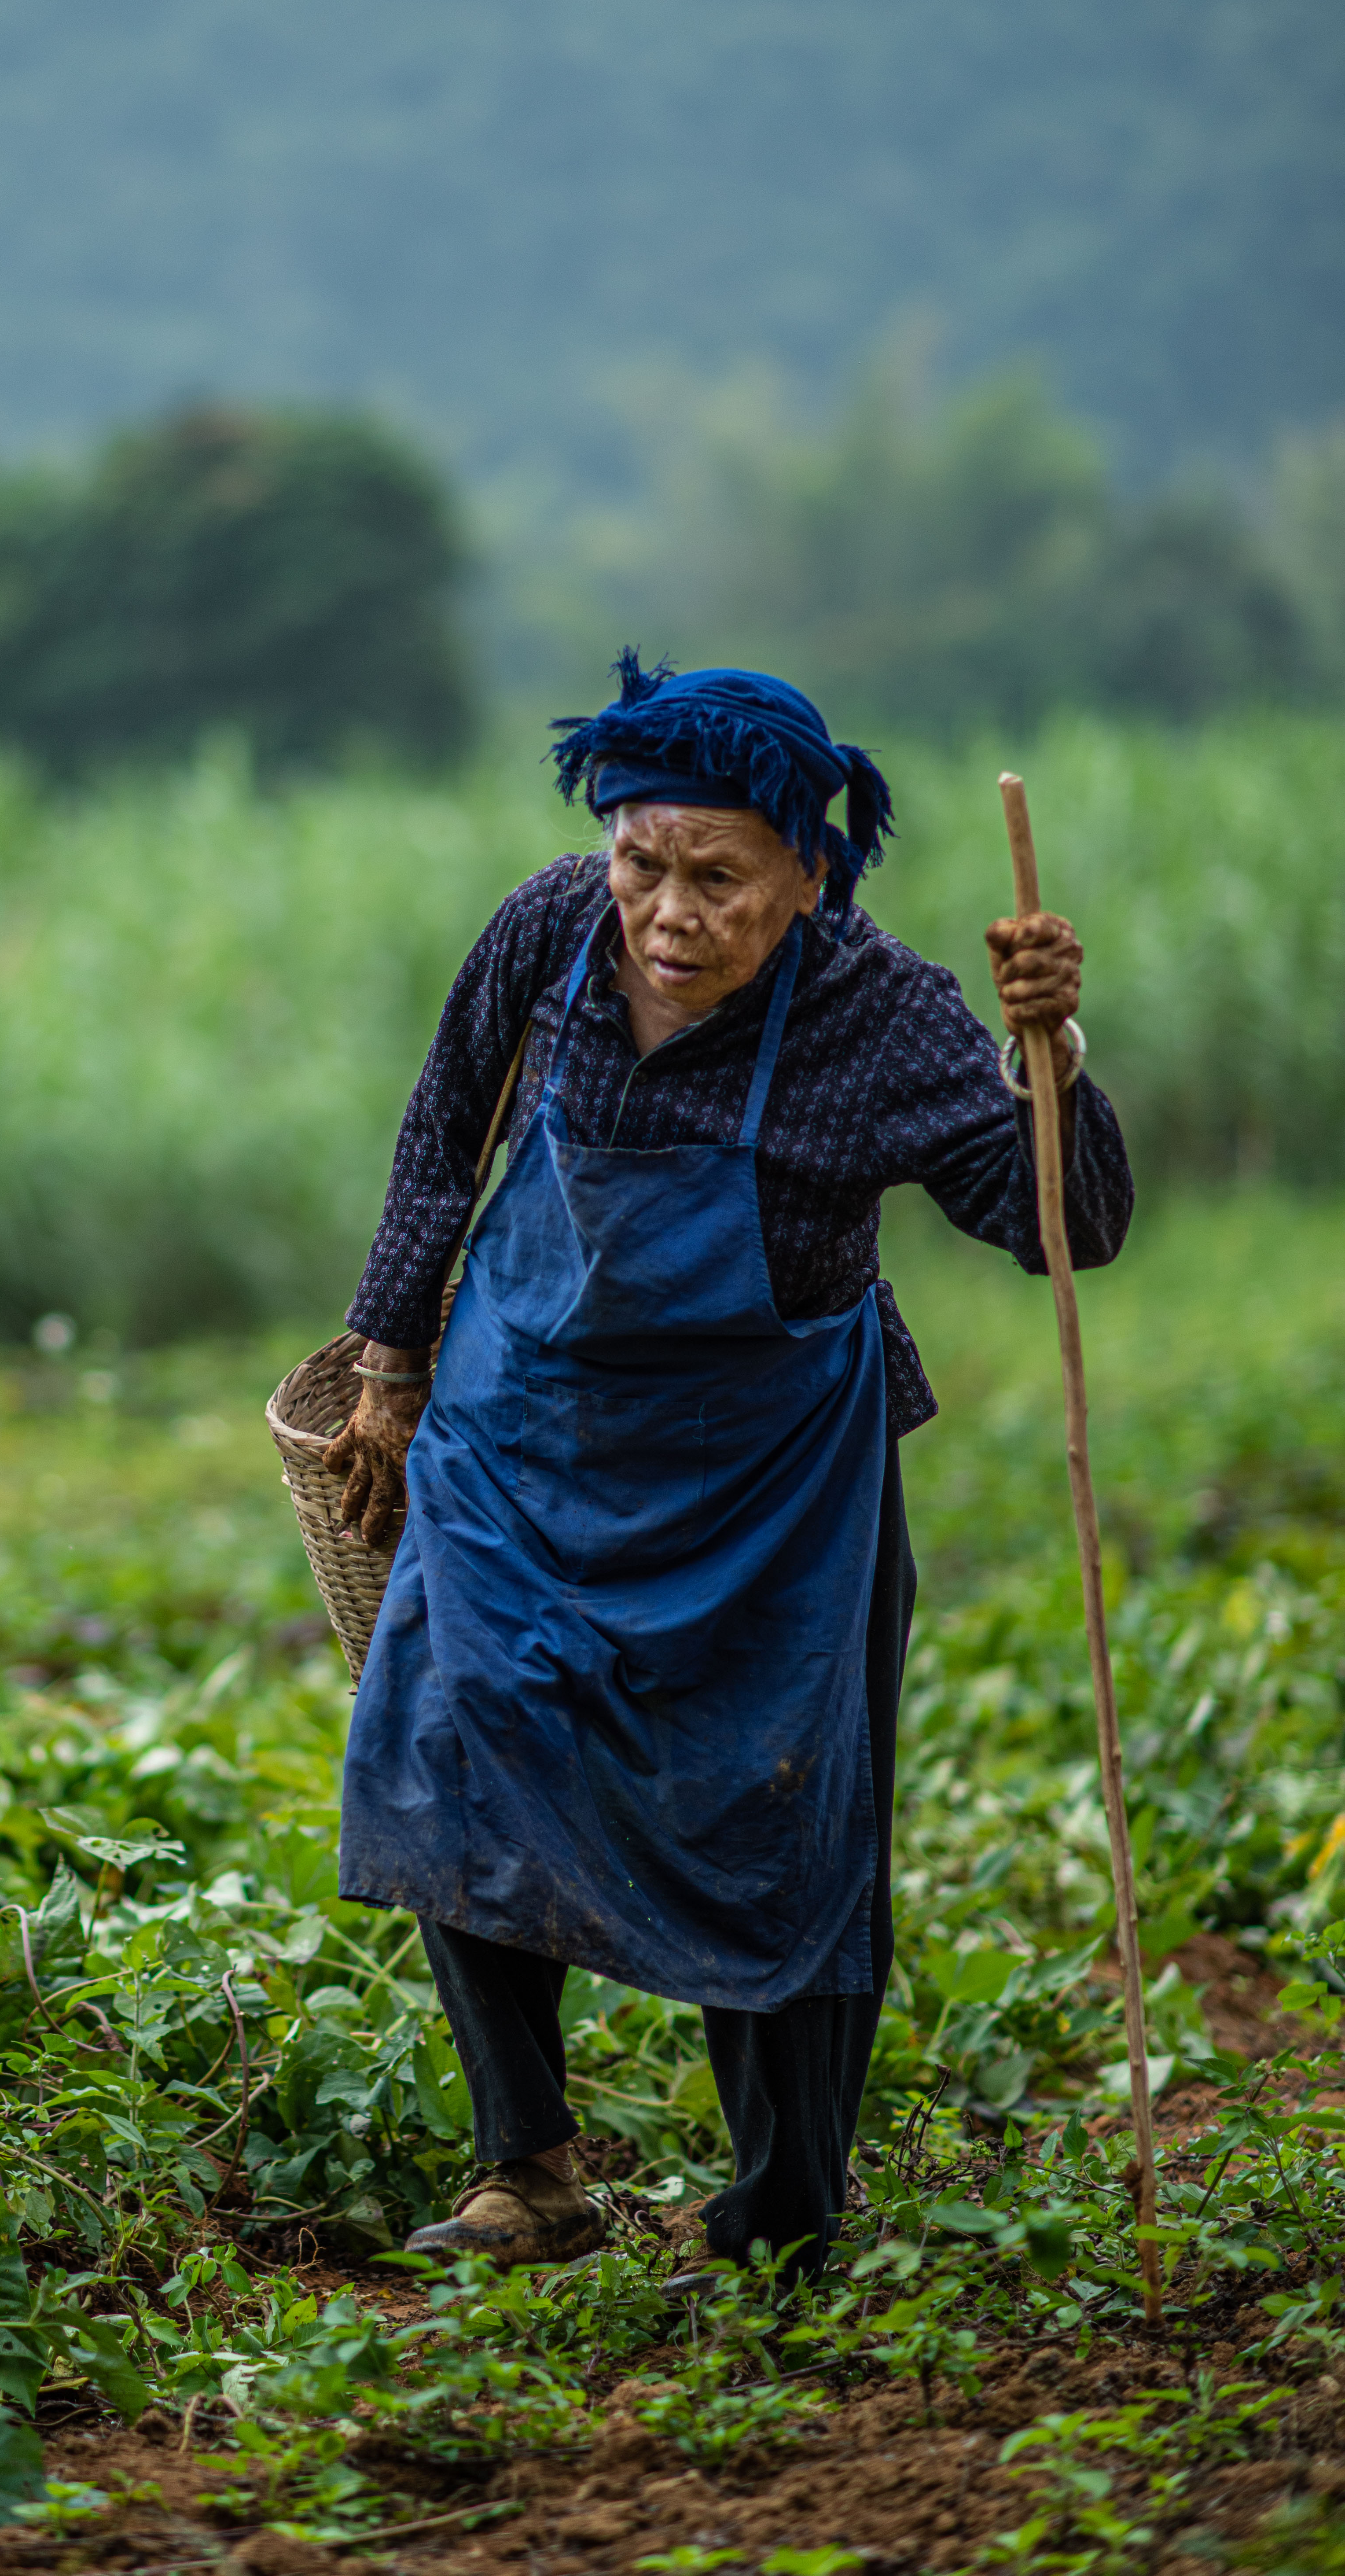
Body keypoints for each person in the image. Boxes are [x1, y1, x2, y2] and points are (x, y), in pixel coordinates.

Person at [323, 653, 1133, 2281]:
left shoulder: (879, 1010)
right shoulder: (543, 936)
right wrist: (389, 1371)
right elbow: (435, 1145)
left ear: (808, 875)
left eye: (718, 878)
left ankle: (781, 2214)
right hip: (521, 1436)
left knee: (787, 1817)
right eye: (642, 864)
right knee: (459, 1735)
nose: (667, 914)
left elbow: (1069, 1223)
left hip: (766, 1487)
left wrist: (1046, 1057)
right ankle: (526, 2171)